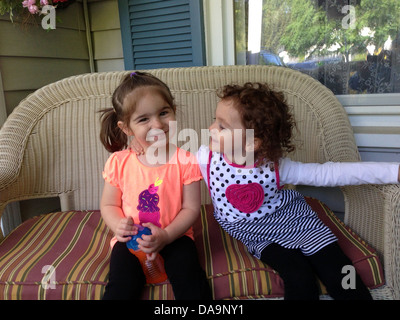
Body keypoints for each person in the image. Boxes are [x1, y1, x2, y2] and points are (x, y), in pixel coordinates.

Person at [196, 82, 400, 300]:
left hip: (296, 221)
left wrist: (392, 171)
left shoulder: (276, 167)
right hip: (255, 233)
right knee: (298, 277)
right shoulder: (205, 159)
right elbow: (165, 172)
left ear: (251, 144)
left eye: (222, 126)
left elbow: (330, 174)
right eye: (215, 121)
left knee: (340, 271)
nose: (210, 129)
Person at [99, 72, 211, 300]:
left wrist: (167, 236)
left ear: (174, 111)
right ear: (126, 128)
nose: (158, 124)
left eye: (163, 113)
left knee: (190, 281)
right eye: (143, 119)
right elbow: (109, 204)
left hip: (175, 236)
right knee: (120, 285)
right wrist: (119, 226)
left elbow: (191, 208)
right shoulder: (119, 162)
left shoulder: (185, 160)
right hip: (131, 240)